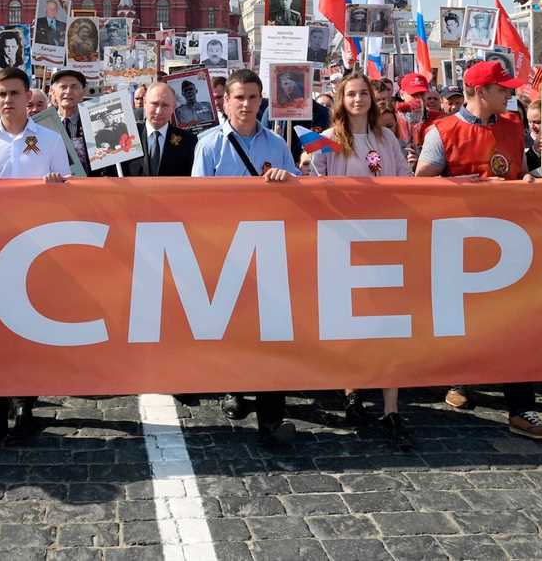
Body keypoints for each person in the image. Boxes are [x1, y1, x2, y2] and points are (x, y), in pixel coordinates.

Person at [415, 60, 542, 440]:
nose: (509, 93)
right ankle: (459, 379)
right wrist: (464, 185)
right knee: (466, 320)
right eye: (502, 89)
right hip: (461, 242)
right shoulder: (441, 132)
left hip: (510, 241)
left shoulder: (513, 127)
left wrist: (527, 178)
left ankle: (521, 408)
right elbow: (420, 187)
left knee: (516, 325)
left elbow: (520, 170)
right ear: (481, 93)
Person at [0, 68, 69, 452]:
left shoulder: (50, 140)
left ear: (29, 97)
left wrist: (58, 188)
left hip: (37, 249)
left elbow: (69, 192)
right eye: (1, 94)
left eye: (14, 93)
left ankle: (26, 404)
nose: (7, 100)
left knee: (29, 330)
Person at [191, 69, 299, 447]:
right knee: (233, 327)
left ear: (260, 101)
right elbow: (197, 204)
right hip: (226, 250)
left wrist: (289, 181)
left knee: (272, 332)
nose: (246, 104)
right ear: (226, 101)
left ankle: (272, 417)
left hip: (269, 249)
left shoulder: (276, 145)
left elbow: (300, 192)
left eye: (253, 98)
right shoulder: (208, 146)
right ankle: (234, 389)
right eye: (239, 97)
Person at [308, 73, 414, 446]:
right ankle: (351, 391)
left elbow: (405, 181)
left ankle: (391, 408)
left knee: (389, 326)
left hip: (384, 242)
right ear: (341, 99)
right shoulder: (331, 140)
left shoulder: (387, 139)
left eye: (363, 94)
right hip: (346, 242)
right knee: (350, 321)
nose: (357, 100)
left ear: (372, 98)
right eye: (350, 94)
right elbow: (315, 181)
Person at [120, 82, 196, 177]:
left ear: (173, 108)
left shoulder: (189, 142)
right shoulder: (127, 136)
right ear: (145, 103)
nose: (159, 111)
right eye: (154, 104)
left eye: (165, 105)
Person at [49, 68, 110, 177]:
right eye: (63, 87)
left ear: (83, 92)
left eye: (74, 87)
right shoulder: (43, 124)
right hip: (54, 188)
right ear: (53, 92)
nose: (68, 91)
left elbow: (108, 161)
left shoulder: (96, 122)